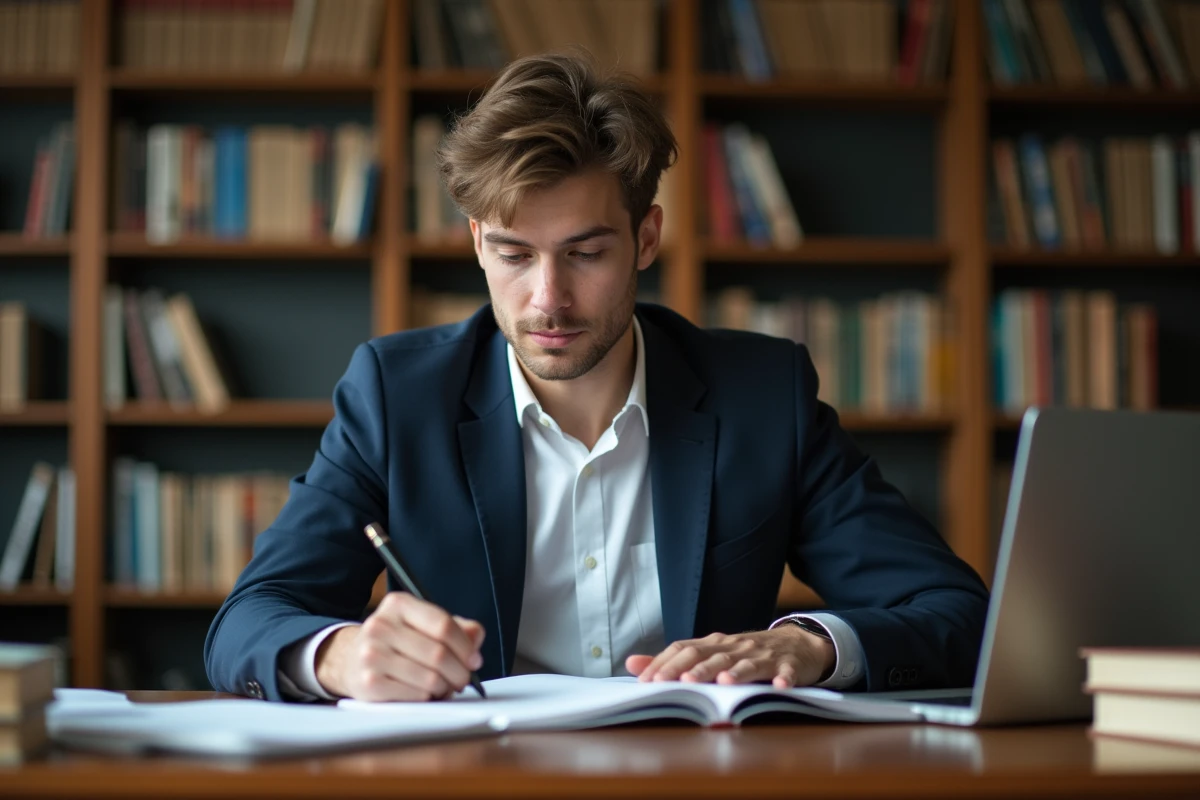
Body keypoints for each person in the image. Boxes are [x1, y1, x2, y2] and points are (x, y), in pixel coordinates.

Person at [204, 54, 989, 703]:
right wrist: (339, 657)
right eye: (514, 254)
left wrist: (808, 646)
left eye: (585, 253)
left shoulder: (764, 397)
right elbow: (248, 622)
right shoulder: (395, 395)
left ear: (646, 237)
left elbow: (961, 613)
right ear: (477, 243)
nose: (547, 298)